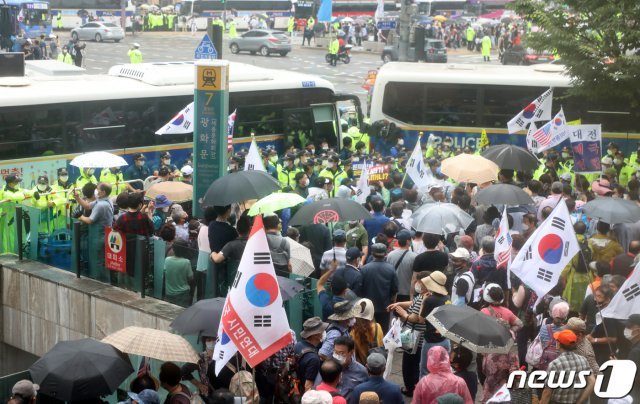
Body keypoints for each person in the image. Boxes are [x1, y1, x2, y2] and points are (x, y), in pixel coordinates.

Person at [387, 270, 429, 396]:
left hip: (414, 337)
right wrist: (399, 303)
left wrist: (403, 313)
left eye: (418, 281)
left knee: (409, 363)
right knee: (413, 361)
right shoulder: (423, 295)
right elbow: (412, 302)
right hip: (414, 335)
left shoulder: (425, 298)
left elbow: (416, 318)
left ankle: (410, 388)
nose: (416, 284)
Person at [480, 284, 522, 402]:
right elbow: (520, 323)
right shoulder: (507, 312)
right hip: (506, 348)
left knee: (490, 379)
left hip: (490, 348)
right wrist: (510, 331)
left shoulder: (483, 311)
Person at [540, 330, 595, 404]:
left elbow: (547, 393)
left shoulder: (555, 364)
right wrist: (579, 402)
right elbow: (592, 382)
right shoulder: (583, 360)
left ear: (558, 344)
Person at [316, 336, 368, 402]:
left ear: (351, 353)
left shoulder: (361, 372)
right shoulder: (328, 367)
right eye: (335, 352)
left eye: (341, 353)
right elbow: (317, 387)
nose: (337, 356)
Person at [418, 271, 450, 378]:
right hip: (445, 339)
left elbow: (420, 319)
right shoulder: (447, 298)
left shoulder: (430, 300)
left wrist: (423, 301)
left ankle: (424, 393)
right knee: (442, 370)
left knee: (425, 371)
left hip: (431, 340)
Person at [360, 243, 398, 332]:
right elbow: (394, 289)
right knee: (383, 332)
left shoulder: (365, 269)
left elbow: (360, 289)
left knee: (368, 332)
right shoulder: (391, 269)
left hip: (368, 308)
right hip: (384, 307)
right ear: (385, 254)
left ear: (372, 253)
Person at [295, 317, 327, 393]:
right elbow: (308, 386)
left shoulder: (298, 345)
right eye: (322, 330)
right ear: (316, 335)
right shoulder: (314, 359)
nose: (324, 332)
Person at [350, 298, 383, 365]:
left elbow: (353, 355)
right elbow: (381, 347)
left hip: (361, 367)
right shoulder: (377, 327)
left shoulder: (353, 331)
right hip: (375, 366)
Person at [386, 229, 417, 302]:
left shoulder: (390, 255)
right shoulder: (414, 257)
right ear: (408, 241)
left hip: (394, 292)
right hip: (408, 293)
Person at [163, 239, 194, 307]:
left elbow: (165, 272)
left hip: (169, 294)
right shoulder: (186, 262)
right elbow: (190, 277)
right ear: (185, 250)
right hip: (183, 295)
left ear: (173, 249)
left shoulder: (167, 260)